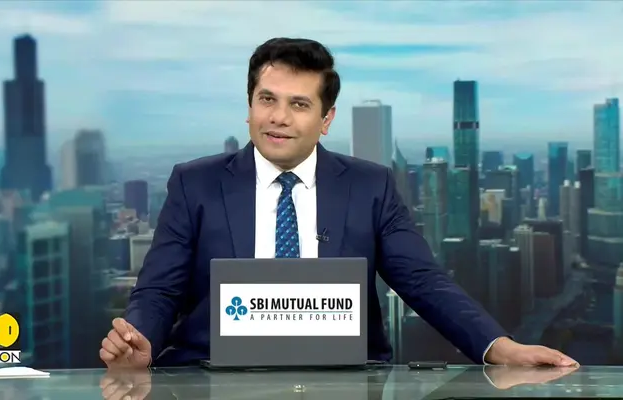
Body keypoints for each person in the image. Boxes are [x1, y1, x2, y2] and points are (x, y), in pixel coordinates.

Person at [99, 37, 578, 369]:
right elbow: (158, 290)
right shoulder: (195, 183)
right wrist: (141, 339)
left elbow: (423, 282)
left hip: (345, 380)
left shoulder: (369, 185)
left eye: (299, 104)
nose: (278, 118)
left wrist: (499, 347)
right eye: (267, 99)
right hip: (210, 376)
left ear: (325, 120)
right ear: (249, 107)